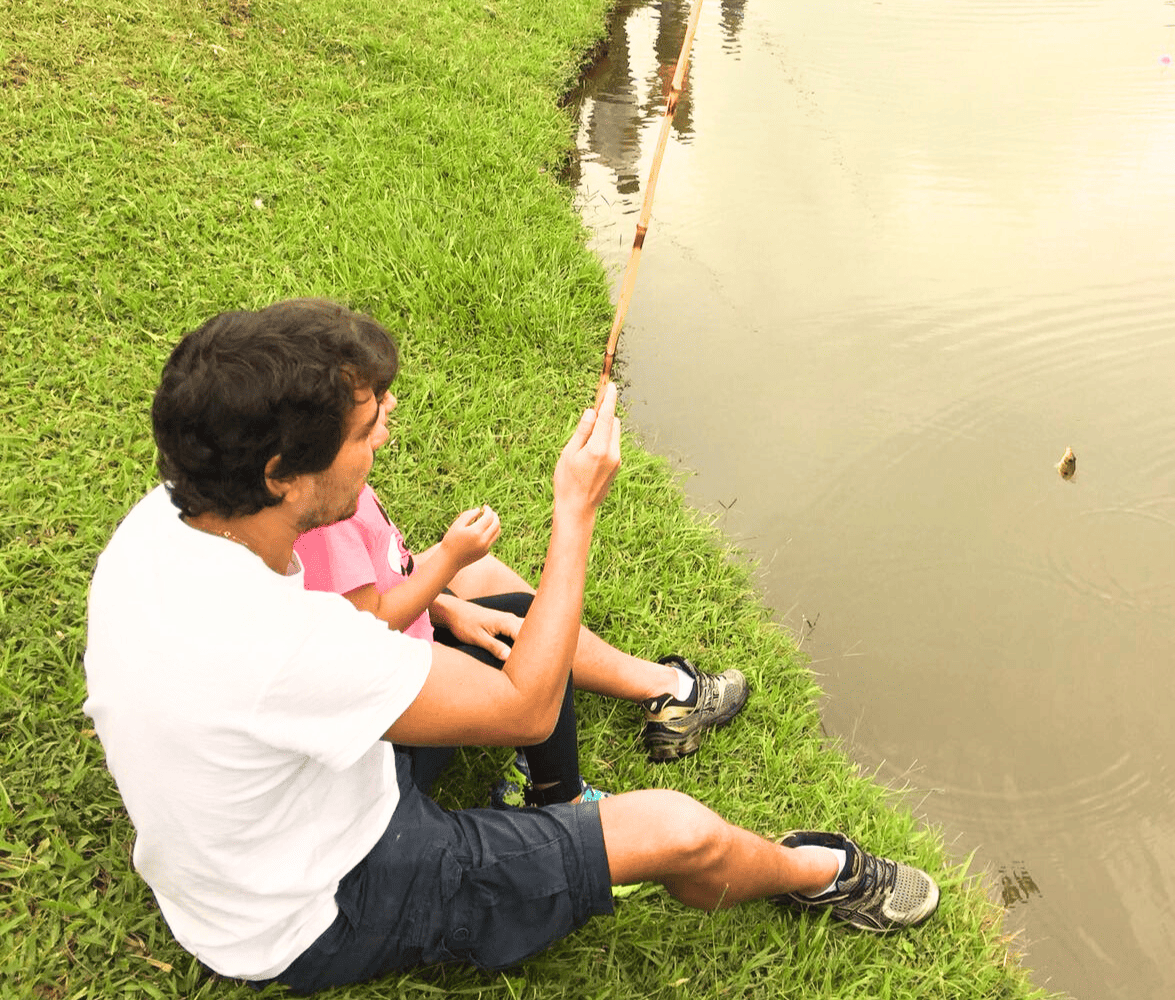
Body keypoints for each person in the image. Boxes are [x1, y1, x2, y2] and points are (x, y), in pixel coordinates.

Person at [83, 299, 938, 994]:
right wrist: (576, 511)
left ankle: (654, 696)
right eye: (365, 431)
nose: (383, 438)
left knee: (483, 599)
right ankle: (816, 873)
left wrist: (447, 603)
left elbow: (340, 640)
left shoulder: (163, 526)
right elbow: (526, 709)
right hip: (321, 906)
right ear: (280, 473)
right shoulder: (284, 645)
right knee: (679, 831)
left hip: (295, 803)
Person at [291, 375, 748, 807]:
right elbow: (364, 628)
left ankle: (665, 690)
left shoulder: (324, 486)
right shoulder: (329, 520)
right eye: (374, 398)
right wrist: (449, 557)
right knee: (535, 641)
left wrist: (448, 609)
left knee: (508, 604)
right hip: (392, 739)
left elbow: (375, 586)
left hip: (391, 657)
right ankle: (559, 798)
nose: (390, 401)